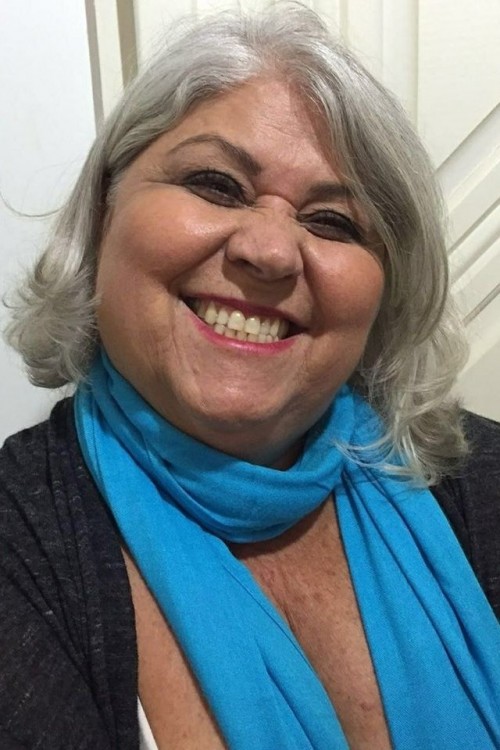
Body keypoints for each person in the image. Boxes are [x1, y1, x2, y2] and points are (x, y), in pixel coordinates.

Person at [1, 4, 499, 749]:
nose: (269, 251)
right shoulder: (18, 546)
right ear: (105, 211)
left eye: (332, 222)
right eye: (217, 185)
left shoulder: (479, 474)